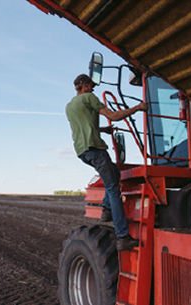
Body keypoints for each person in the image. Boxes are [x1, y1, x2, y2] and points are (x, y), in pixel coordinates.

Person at [66, 74, 148, 251]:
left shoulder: (70, 106)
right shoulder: (89, 98)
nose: (93, 90)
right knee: (113, 188)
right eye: (91, 86)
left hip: (83, 152)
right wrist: (138, 107)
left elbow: (83, 126)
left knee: (115, 173)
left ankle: (106, 210)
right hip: (95, 149)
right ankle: (122, 236)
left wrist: (103, 130)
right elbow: (115, 116)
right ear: (86, 85)